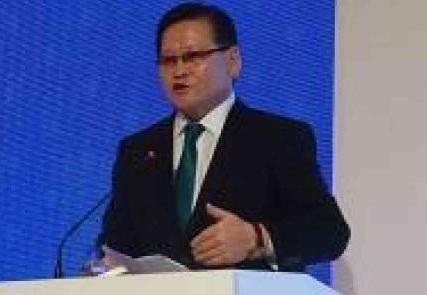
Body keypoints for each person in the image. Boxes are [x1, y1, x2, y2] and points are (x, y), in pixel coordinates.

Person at [98, 2, 349, 272]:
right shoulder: (138, 151)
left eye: (193, 56)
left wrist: (256, 237)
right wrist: (105, 266)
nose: (179, 71)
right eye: (169, 60)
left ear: (233, 61)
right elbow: (117, 245)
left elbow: (329, 231)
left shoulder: (278, 138)